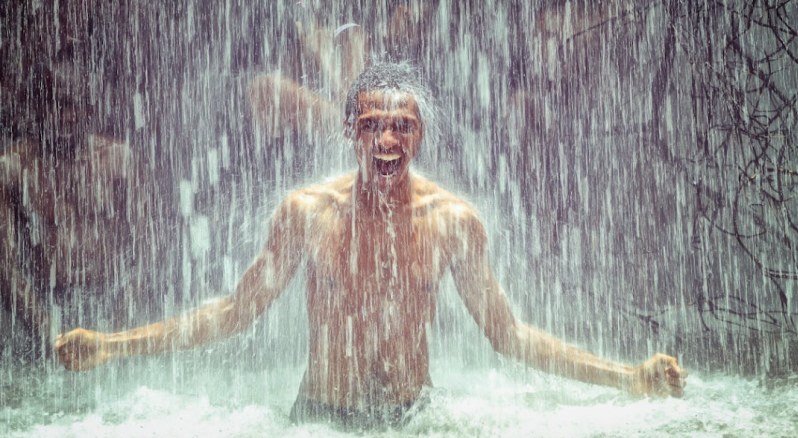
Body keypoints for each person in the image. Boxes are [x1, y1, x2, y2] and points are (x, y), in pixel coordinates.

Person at [55, 63, 687, 428]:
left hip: (415, 420)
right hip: (321, 420)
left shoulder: (453, 221)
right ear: (350, 134)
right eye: (372, 125)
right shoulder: (307, 213)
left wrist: (627, 377)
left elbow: (511, 335)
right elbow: (231, 313)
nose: (388, 138)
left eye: (402, 126)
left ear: (420, 136)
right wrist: (112, 345)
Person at [0, 59, 168, 354]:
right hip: (43, 305)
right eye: (57, 104)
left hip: (112, 301)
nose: (67, 116)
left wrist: (110, 339)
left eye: (77, 105)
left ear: (91, 108)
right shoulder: (14, 169)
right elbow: (6, 269)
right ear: (38, 105)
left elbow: (150, 259)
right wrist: (52, 336)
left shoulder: (121, 162)